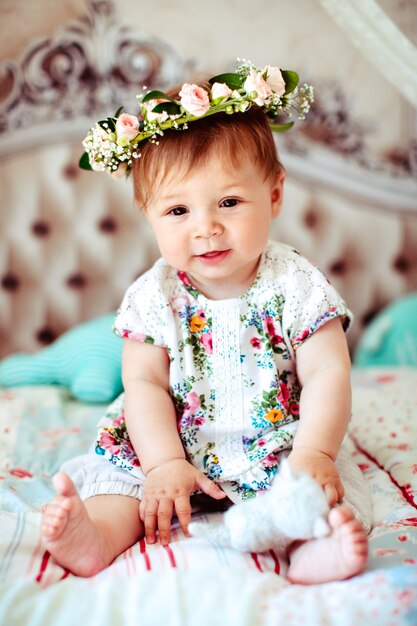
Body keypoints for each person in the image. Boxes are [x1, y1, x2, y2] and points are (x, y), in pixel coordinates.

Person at [41, 60, 371, 583]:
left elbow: (329, 373)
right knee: (122, 488)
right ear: (148, 213)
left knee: (313, 494)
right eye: (178, 212)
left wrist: (314, 451)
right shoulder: (155, 295)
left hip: (273, 444)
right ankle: (96, 537)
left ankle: (313, 554)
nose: (207, 228)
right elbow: (144, 383)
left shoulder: (297, 283)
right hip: (168, 444)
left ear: (275, 195)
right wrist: (164, 464)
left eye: (230, 202)